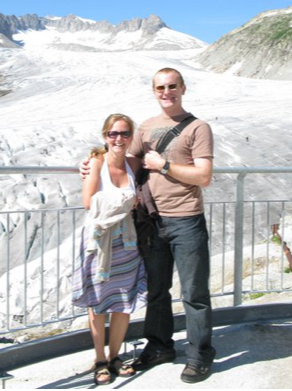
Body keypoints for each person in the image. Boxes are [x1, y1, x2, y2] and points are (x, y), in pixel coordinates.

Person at [81, 68, 214, 383]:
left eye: (172, 86)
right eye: (160, 87)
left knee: (194, 292)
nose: (166, 92)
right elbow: (122, 159)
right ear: (154, 91)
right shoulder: (146, 128)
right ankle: (159, 346)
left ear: (183, 88)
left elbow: (204, 176)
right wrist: (91, 161)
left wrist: (164, 165)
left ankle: (200, 354)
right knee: (157, 291)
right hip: (152, 223)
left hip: (186, 219)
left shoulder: (198, 128)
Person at [71, 114, 147, 385]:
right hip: (99, 240)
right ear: (105, 136)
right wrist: (127, 200)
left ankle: (116, 355)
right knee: (98, 301)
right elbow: (88, 201)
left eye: (125, 134)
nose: (119, 139)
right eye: (113, 134)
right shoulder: (96, 163)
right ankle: (100, 358)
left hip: (126, 242)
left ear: (131, 137)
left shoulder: (134, 164)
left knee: (123, 300)